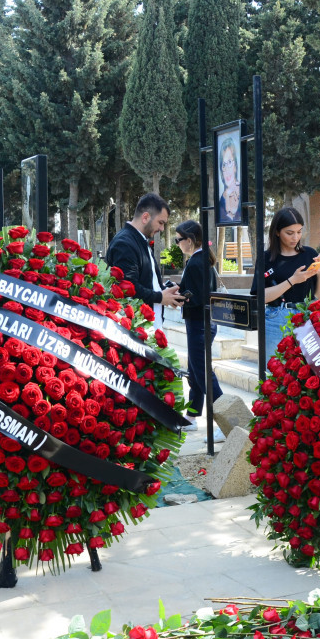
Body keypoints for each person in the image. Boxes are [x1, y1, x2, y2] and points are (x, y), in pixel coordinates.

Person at [253, 207, 320, 348]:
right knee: (273, 367)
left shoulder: (309, 254)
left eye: (299, 232)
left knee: (305, 368)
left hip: (306, 316)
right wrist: (292, 280)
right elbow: (261, 296)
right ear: (277, 232)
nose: (295, 238)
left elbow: (318, 296)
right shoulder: (266, 258)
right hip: (275, 317)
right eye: (289, 233)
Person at [174, 220, 224, 434]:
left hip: (200, 323)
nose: (177, 244)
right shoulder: (199, 260)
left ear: (190, 239)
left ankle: (225, 419)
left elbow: (199, 297)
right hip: (200, 323)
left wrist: (179, 297)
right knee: (196, 371)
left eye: (179, 240)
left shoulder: (197, 261)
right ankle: (192, 416)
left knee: (202, 372)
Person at [105, 193, 183, 329]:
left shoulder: (140, 240)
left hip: (149, 327)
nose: (162, 229)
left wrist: (166, 293)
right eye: (160, 222)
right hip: (136, 330)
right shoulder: (125, 243)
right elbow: (127, 287)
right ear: (145, 217)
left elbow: (146, 281)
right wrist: (160, 297)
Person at [218, 141, 242, 224]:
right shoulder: (222, 199)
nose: (227, 170)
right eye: (224, 165)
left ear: (235, 166)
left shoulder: (244, 191)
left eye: (230, 162)